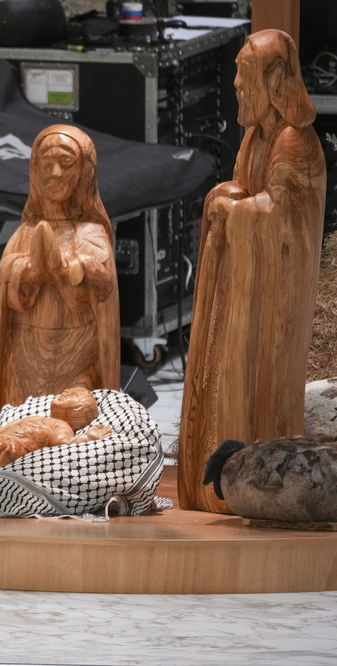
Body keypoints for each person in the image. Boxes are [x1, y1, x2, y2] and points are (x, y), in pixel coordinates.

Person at [177, 29, 327, 513]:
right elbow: (243, 190)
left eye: (245, 78)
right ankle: (206, 485)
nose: (237, 88)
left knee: (252, 393)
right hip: (241, 290)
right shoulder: (254, 138)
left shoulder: (293, 143)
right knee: (219, 383)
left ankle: (247, 486)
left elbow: (286, 218)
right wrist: (226, 198)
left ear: (275, 80)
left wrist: (236, 208)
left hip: (270, 304)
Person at [0, 124, 120, 412]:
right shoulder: (26, 231)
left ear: (84, 171)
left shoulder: (90, 230)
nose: (55, 174)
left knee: (72, 417)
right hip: (26, 353)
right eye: (46, 165)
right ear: (35, 171)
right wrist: (28, 272)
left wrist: (69, 271)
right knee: (22, 420)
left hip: (77, 354)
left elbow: (103, 279)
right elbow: (5, 277)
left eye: (66, 164)